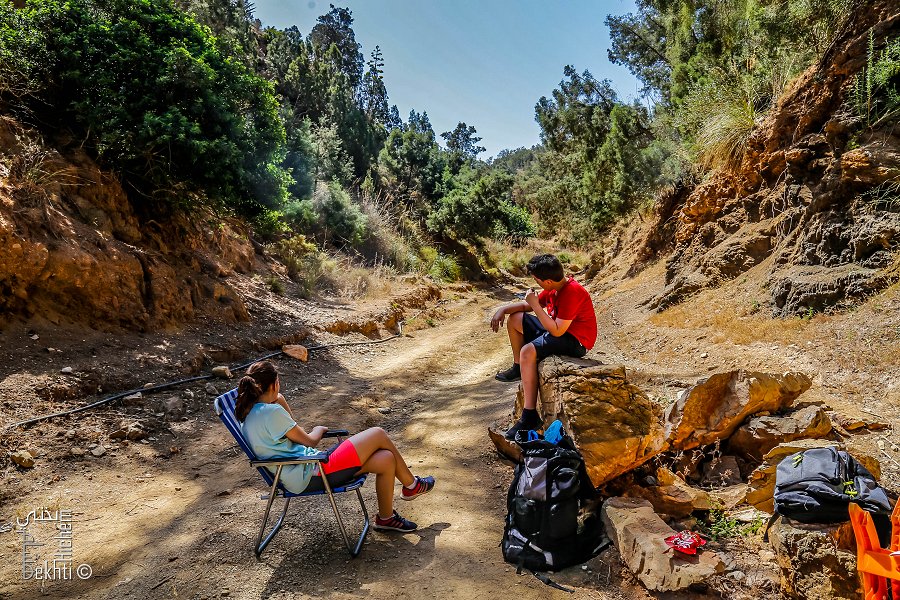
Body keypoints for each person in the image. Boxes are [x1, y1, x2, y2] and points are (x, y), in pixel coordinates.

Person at [235, 360, 435, 532]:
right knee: (378, 434)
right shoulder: (271, 413)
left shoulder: (250, 414)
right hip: (311, 469)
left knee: (386, 459)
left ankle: (386, 518)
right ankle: (412, 485)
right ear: (274, 384)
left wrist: (278, 399)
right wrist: (319, 429)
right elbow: (309, 440)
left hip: (301, 470)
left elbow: (291, 432)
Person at [490, 254, 597, 439]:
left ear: (547, 281)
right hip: (560, 331)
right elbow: (528, 306)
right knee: (515, 319)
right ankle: (518, 367)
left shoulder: (572, 292)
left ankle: (529, 415)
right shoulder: (554, 287)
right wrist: (503, 310)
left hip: (576, 340)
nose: (535, 283)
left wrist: (535, 305)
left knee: (528, 351)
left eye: (536, 280)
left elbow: (556, 330)